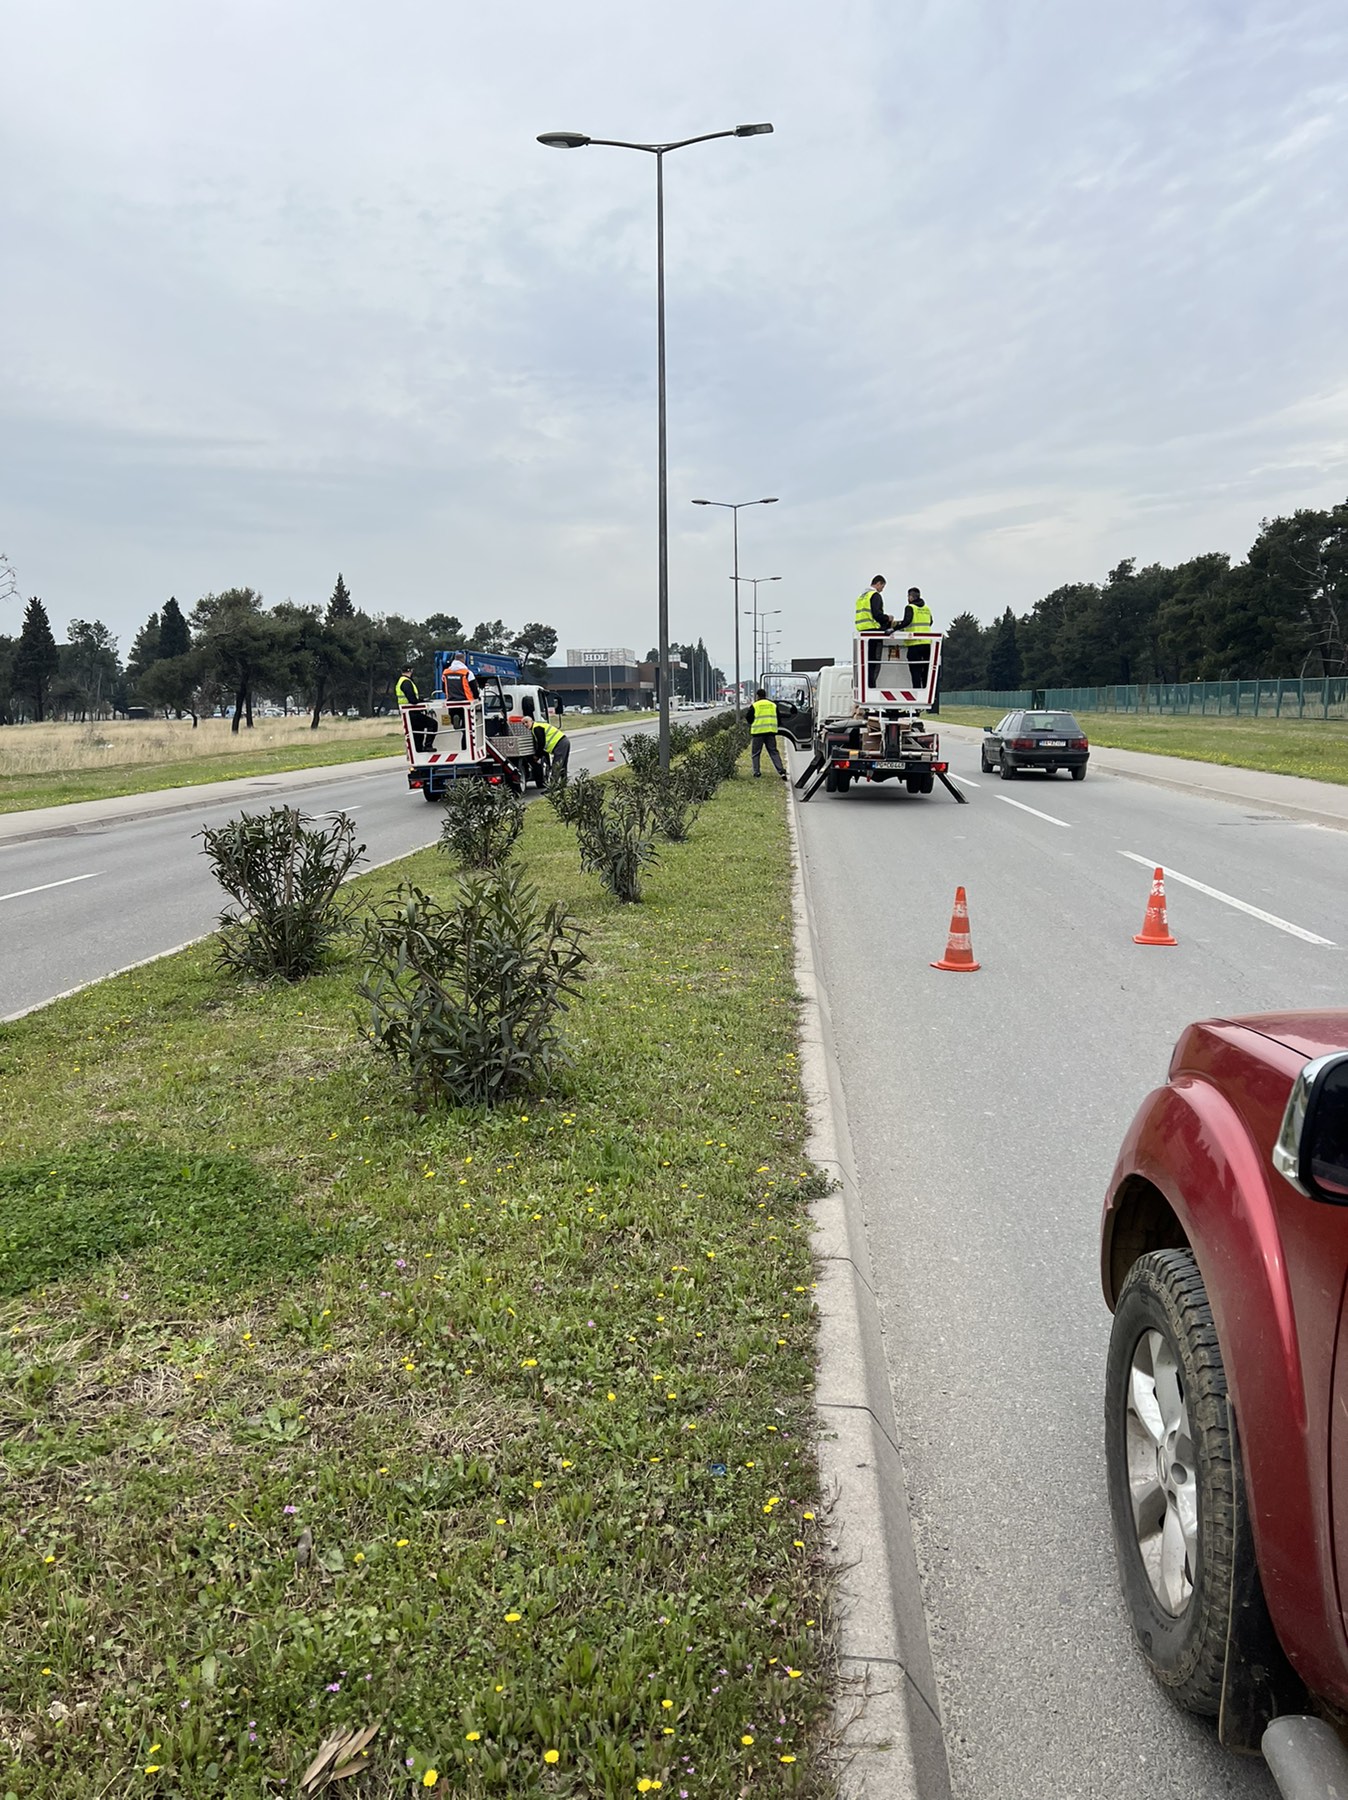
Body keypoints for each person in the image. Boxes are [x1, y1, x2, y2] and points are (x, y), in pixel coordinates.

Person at [855, 576, 896, 694]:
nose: (882, 589)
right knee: (874, 661)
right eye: (882, 586)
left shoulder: (862, 596)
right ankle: (871, 686)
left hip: (862, 631)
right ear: (878, 584)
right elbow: (877, 614)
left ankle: (866, 685)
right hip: (873, 630)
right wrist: (888, 618)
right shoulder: (875, 595)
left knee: (865, 661)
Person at [744, 688, 787, 780]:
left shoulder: (755, 705)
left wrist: (753, 723)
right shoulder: (773, 705)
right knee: (773, 751)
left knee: (756, 753)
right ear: (765, 695)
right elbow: (778, 719)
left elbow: (748, 717)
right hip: (770, 732)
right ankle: (781, 771)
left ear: (757, 696)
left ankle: (757, 773)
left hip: (758, 732)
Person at [900, 587, 934, 698]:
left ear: (910, 597)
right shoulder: (927, 608)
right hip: (926, 644)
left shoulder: (910, 607)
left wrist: (895, 628)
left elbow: (907, 621)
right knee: (926, 671)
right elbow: (931, 622)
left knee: (915, 671)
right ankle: (926, 694)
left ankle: (917, 695)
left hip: (914, 644)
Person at [395, 665, 437, 754]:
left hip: (408, 713)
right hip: (412, 712)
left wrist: (421, 699)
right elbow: (412, 699)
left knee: (418, 731)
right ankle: (428, 745)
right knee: (432, 724)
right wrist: (421, 702)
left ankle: (419, 749)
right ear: (410, 670)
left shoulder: (401, 681)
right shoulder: (406, 682)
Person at [533, 715, 571, 784]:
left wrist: (537, 756)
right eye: (523, 724)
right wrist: (548, 763)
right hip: (563, 742)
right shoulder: (539, 725)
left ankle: (553, 786)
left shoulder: (536, 728)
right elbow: (544, 750)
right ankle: (563, 783)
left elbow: (541, 744)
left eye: (526, 723)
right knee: (562, 765)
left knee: (557, 765)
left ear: (530, 721)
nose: (525, 725)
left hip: (559, 743)